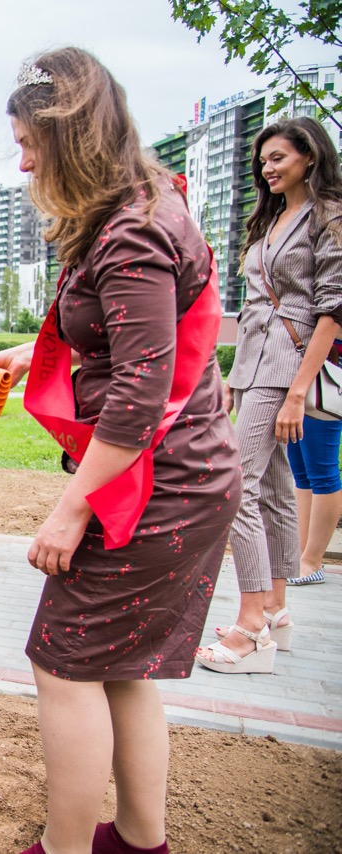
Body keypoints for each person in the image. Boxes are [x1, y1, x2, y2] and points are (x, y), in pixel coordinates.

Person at [0, 49, 239, 854]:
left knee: (64, 663)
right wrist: (35, 350)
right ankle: (138, 839)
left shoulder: (131, 233)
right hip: (176, 477)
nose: (21, 160)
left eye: (29, 143)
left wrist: (67, 511)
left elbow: (140, 397)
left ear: (70, 136)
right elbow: (128, 344)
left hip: (163, 484)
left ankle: (65, 849)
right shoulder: (137, 209)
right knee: (122, 665)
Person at [201, 116, 342, 664]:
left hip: (290, 367)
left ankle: (250, 624)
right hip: (256, 366)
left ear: (310, 156)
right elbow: (257, 306)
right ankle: (277, 608)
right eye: (263, 160)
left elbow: (332, 311)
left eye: (279, 157)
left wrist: (295, 392)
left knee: (235, 485)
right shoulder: (273, 219)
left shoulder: (326, 218)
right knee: (277, 489)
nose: (268, 167)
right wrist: (235, 379)